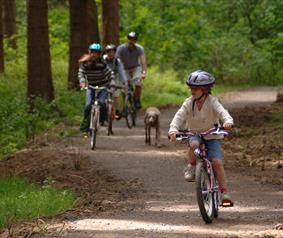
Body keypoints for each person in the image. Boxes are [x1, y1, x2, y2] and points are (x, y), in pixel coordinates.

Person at [168, 70, 234, 204]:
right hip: (195, 134)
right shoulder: (188, 102)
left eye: (196, 88)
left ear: (205, 89)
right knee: (193, 145)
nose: (193, 90)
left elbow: (222, 112)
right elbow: (179, 116)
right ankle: (192, 166)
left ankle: (224, 192)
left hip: (212, 135)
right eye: (191, 88)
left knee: (217, 162)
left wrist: (228, 121)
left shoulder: (212, 101)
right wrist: (173, 129)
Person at [78, 43, 115, 137]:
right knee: (88, 106)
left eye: (96, 53)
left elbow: (110, 73)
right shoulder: (85, 63)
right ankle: (85, 128)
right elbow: (81, 73)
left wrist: (112, 82)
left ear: (99, 54)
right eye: (92, 52)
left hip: (103, 86)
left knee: (102, 103)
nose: (94, 55)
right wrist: (82, 82)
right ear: (89, 52)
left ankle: (102, 120)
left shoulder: (102, 63)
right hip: (91, 86)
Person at [116, 32, 147, 110]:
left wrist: (143, 73)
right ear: (128, 39)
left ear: (135, 41)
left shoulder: (140, 49)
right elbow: (116, 60)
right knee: (124, 86)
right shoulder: (121, 48)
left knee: (138, 82)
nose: (131, 41)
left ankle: (137, 99)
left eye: (133, 39)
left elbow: (143, 61)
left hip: (135, 68)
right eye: (130, 39)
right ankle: (125, 105)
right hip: (124, 69)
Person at [103, 44, 128, 119]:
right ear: (106, 53)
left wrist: (124, 82)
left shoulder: (117, 61)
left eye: (113, 52)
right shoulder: (102, 60)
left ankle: (116, 110)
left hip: (115, 77)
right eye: (109, 52)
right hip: (104, 78)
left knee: (116, 95)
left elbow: (121, 72)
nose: (111, 54)